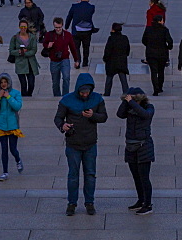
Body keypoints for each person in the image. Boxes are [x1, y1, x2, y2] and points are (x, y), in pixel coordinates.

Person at [54, 72, 108, 216]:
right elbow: (58, 118)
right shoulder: (67, 100)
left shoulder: (97, 99)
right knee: (73, 175)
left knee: (90, 174)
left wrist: (93, 116)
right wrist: (63, 125)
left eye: (87, 91)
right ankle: (72, 203)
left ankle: (89, 202)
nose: (85, 94)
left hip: (90, 143)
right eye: (82, 92)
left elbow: (104, 117)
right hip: (73, 144)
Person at [117, 87, 155, 215]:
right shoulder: (129, 108)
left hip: (144, 146)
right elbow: (119, 114)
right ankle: (141, 200)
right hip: (131, 146)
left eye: (134, 99)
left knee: (144, 177)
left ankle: (148, 204)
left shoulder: (149, 107)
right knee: (136, 176)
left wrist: (132, 102)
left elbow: (145, 115)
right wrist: (125, 101)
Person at [0, 73, 24, 180]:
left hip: (13, 126)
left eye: (5, 82)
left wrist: (8, 97)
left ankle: (18, 160)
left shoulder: (15, 93)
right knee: (4, 149)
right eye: (1, 82)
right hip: (2, 126)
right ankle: (5, 172)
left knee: (13, 149)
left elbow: (17, 106)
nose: (3, 84)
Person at [41, 17, 81, 96]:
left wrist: (76, 60)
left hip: (64, 59)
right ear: (53, 26)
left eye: (59, 27)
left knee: (66, 77)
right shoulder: (50, 34)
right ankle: (57, 96)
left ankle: (65, 95)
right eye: (56, 27)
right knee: (55, 81)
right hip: (54, 60)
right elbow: (44, 43)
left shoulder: (67, 35)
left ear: (62, 25)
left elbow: (73, 48)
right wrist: (48, 45)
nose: (58, 29)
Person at [9, 19, 40, 97]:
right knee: (23, 84)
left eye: (24, 26)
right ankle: (24, 98)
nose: (23, 28)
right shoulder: (15, 38)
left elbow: (34, 50)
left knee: (31, 83)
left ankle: (29, 95)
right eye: (21, 26)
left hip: (30, 63)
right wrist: (19, 52)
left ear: (27, 27)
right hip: (20, 63)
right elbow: (11, 50)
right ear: (19, 27)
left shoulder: (32, 37)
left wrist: (25, 53)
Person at [65, 0, 96, 67]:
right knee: (86, 47)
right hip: (87, 31)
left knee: (76, 47)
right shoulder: (92, 7)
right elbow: (87, 12)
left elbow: (69, 17)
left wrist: (66, 26)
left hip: (76, 31)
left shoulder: (74, 6)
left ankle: (77, 61)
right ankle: (85, 62)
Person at [103, 23, 130, 96]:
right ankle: (126, 93)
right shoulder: (125, 38)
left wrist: (105, 59)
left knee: (109, 78)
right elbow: (128, 50)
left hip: (112, 62)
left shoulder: (111, 38)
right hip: (121, 61)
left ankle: (107, 92)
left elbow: (107, 50)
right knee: (123, 79)